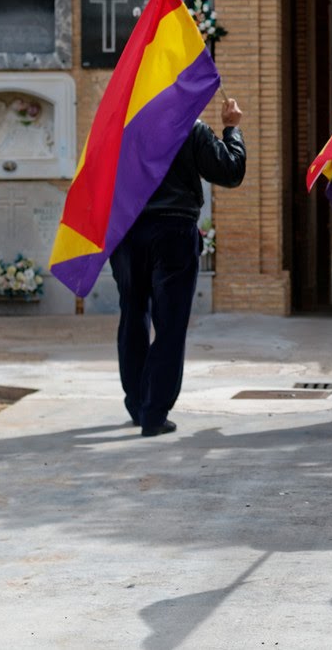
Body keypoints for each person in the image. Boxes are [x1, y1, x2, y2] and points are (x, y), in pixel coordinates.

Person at [111, 98, 246, 437]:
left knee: (133, 314)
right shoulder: (190, 126)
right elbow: (230, 172)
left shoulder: (121, 129)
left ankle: (138, 404)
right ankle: (154, 413)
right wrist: (232, 128)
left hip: (128, 231)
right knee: (170, 324)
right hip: (173, 230)